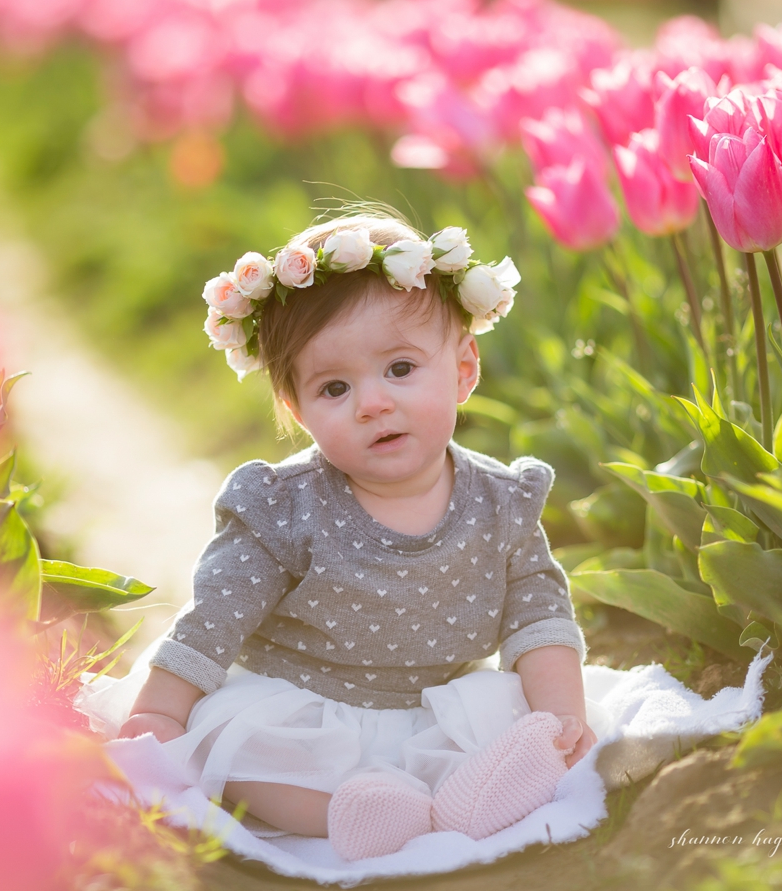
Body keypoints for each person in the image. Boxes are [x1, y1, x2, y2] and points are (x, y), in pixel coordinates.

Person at [107, 208, 606, 860]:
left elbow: (539, 615)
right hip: (308, 714)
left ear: (463, 369)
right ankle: (350, 815)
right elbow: (215, 620)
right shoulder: (284, 508)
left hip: (442, 711)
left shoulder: (502, 501)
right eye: (335, 387)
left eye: (400, 370)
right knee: (229, 752)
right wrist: (161, 713)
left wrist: (562, 718)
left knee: (527, 721)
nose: (373, 403)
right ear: (297, 410)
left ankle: (472, 795)